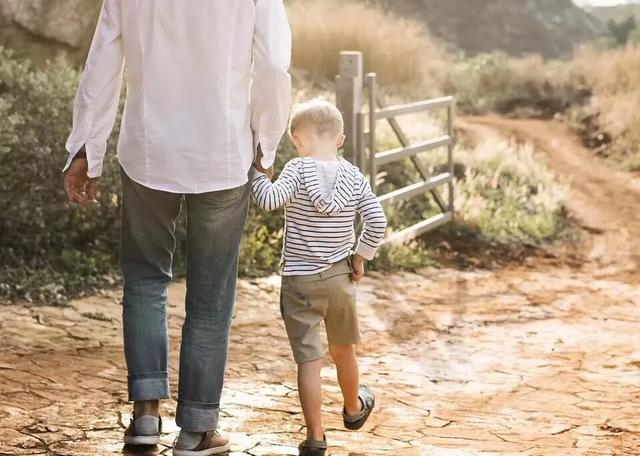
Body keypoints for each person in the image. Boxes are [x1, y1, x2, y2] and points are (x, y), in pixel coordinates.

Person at [61, 1, 291, 454]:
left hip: (149, 152)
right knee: (211, 296)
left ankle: (146, 418)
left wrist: (88, 148)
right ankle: (197, 429)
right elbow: (272, 67)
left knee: (145, 282)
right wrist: (265, 142)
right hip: (223, 154)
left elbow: (102, 62)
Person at [250, 99, 388, 456]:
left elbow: (268, 200)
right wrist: (360, 255)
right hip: (340, 278)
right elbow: (377, 221)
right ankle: (354, 409)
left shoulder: (296, 170)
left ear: (297, 140)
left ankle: (315, 436)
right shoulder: (354, 176)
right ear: (340, 139)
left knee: (309, 360)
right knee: (344, 349)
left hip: (300, 282)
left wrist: (257, 173)